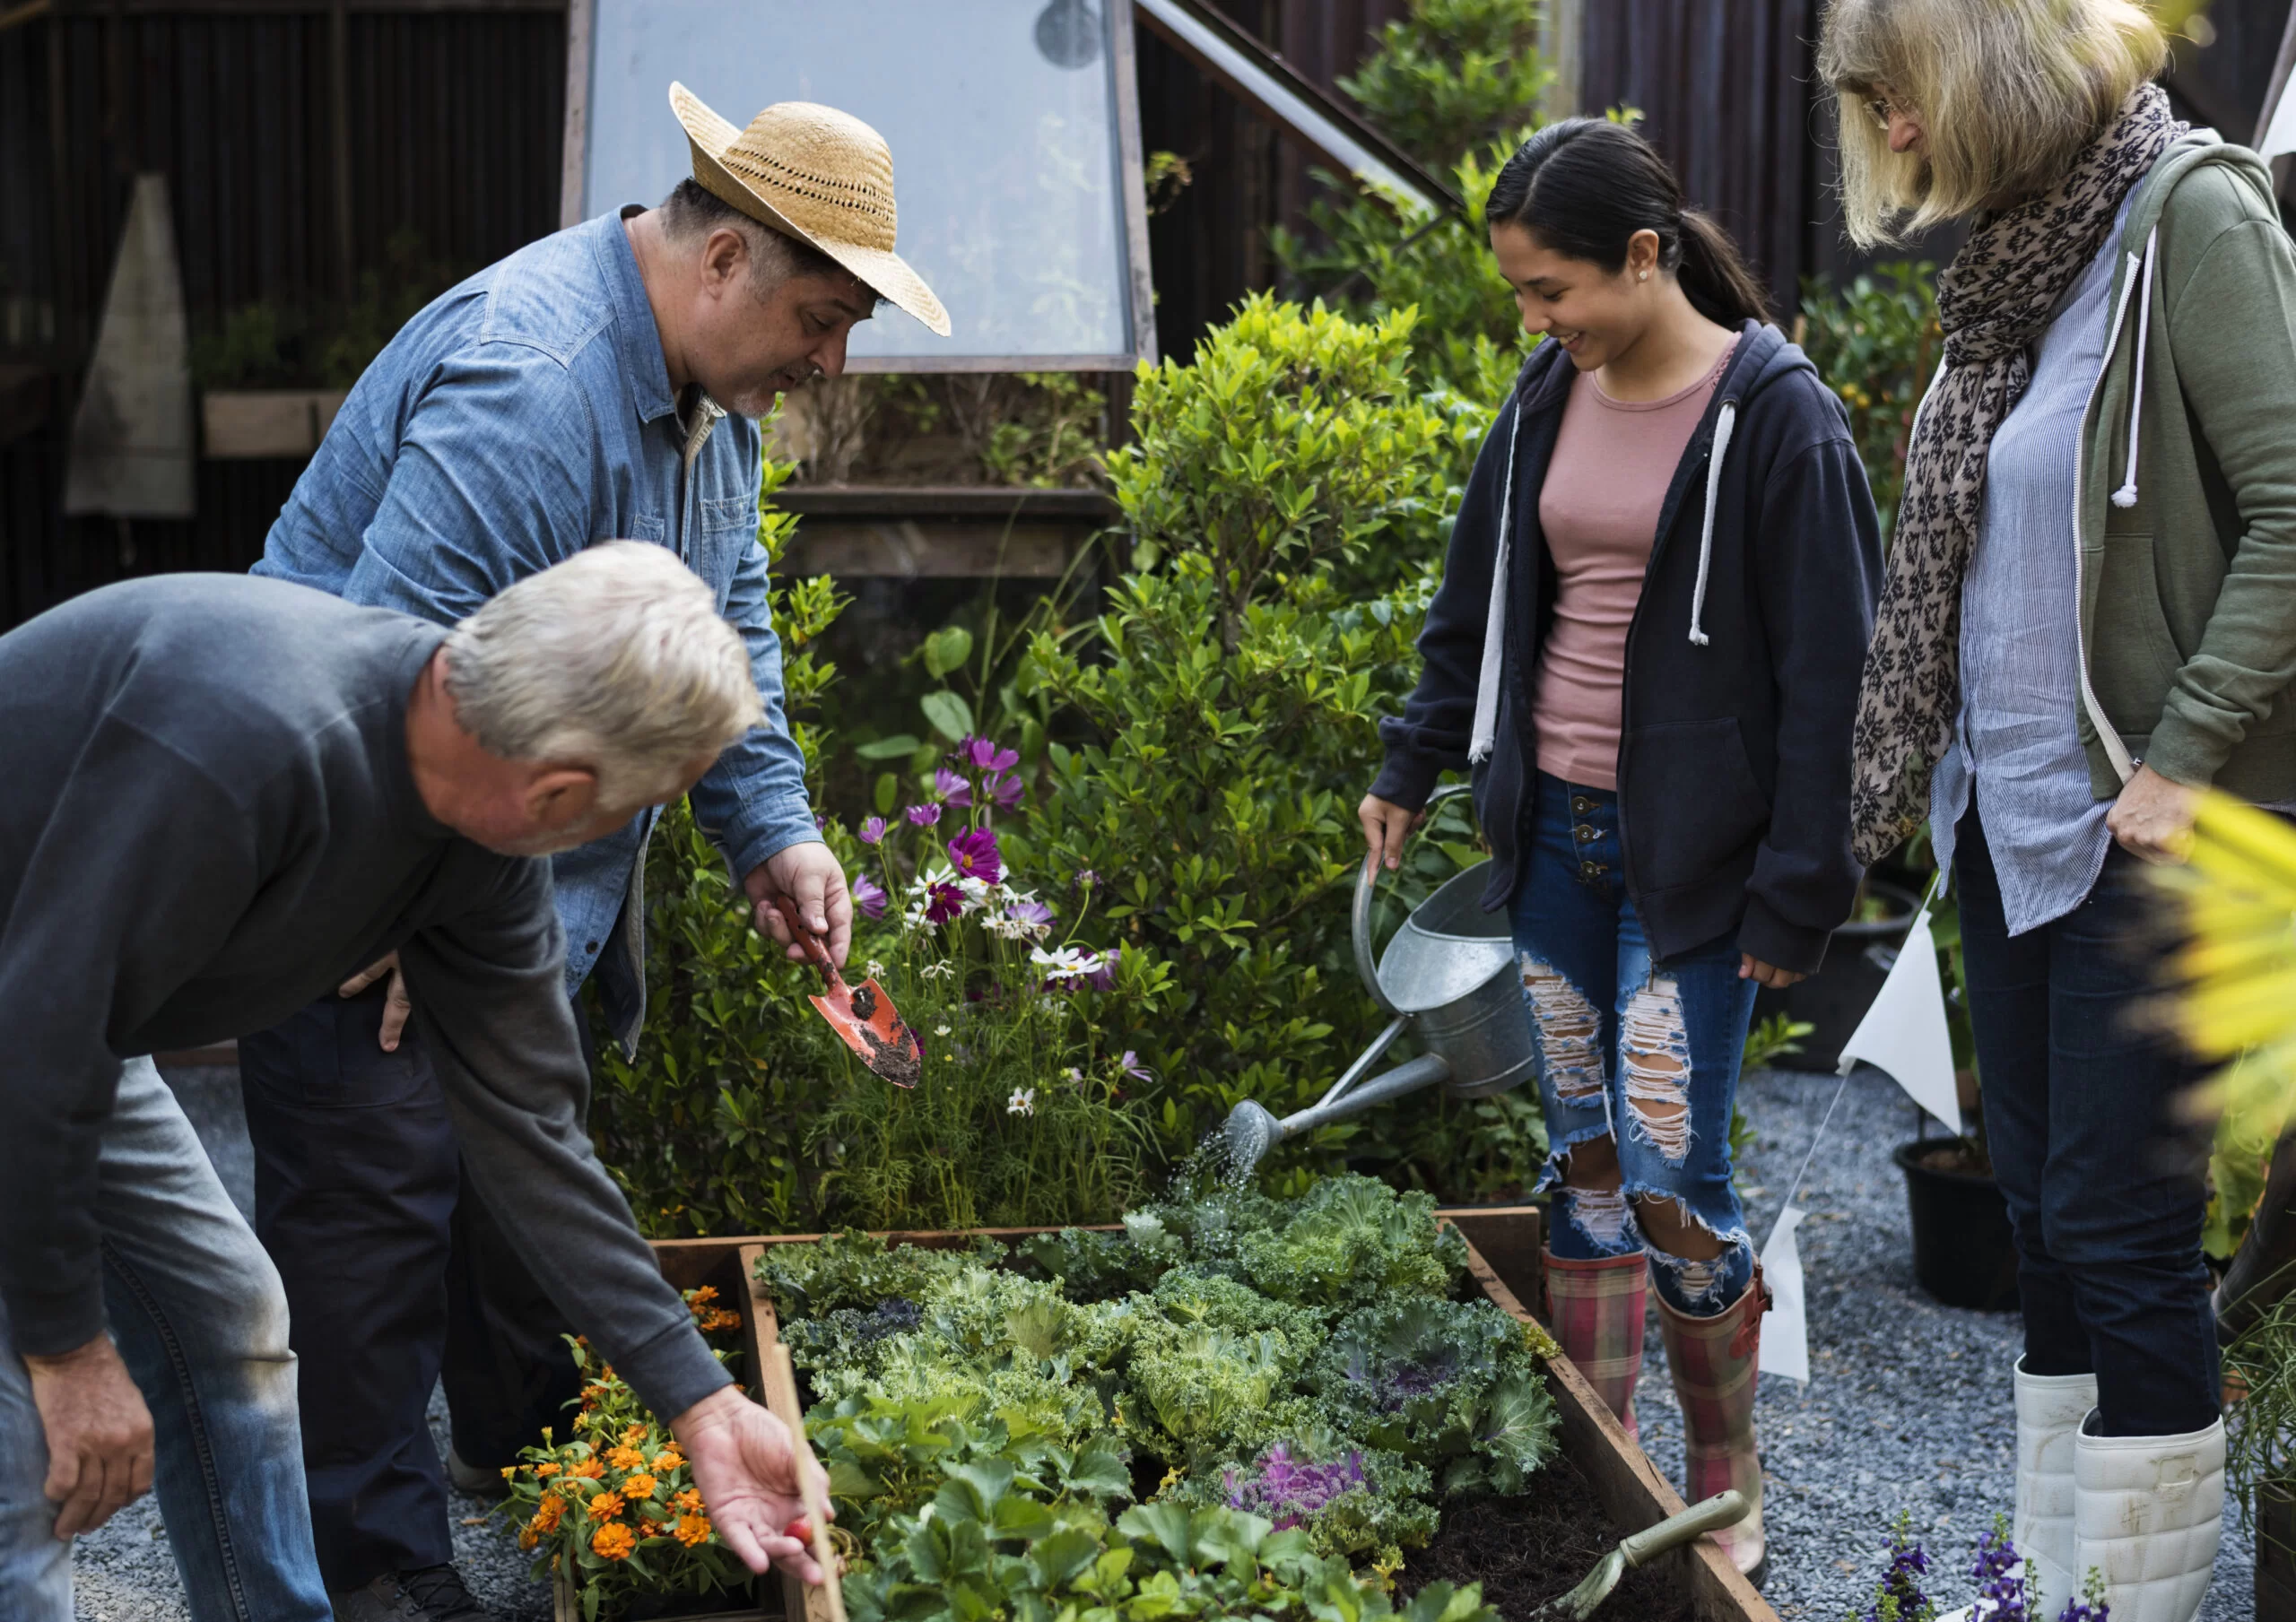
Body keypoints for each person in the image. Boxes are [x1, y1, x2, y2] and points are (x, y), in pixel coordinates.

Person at [246, 88, 947, 1620]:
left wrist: (772, 824)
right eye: (823, 319)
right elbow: (378, 669)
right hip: (360, 887)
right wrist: (388, 909)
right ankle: (382, 1576)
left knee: (511, 1184)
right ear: (725, 263)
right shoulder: (534, 385)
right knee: (367, 1229)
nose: (829, 363)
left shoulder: (707, 401)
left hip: (506, 885)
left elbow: (728, 607)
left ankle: (539, 1456)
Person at [0, 547, 832, 1622]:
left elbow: (531, 1132)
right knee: (26, 1471)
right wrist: (69, 1352)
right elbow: (33, 1052)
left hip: (50, 1017)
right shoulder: (250, 741)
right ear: (562, 792)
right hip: (28, 1028)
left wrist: (704, 1403)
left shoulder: (478, 848)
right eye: (631, 814)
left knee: (228, 1319)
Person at [1822, 1, 2296, 1616]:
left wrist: (2180, 756)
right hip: (2001, 823)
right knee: (2037, 1208)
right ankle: (2061, 1588)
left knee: (2122, 1217)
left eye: (1901, 97)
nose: (1891, 136)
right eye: (1874, 108)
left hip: (2144, 825)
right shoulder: (2012, 267)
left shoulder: (2193, 217)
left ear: (1985, 73)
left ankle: (2141, 1607)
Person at [1361, 118, 1882, 1583]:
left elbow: (1837, 682)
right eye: (1523, 294)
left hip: (1691, 876)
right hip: (1557, 856)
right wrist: (1412, 761)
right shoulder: (1546, 393)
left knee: (1670, 1177)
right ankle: (1601, 1463)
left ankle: (1722, 1485)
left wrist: (1801, 888)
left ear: (1644, 256)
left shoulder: (1780, 418)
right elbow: (1474, 596)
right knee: (1583, 1162)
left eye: (1551, 290)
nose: (1534, 321)